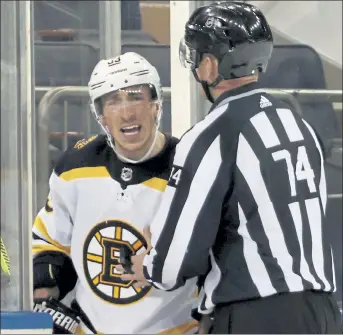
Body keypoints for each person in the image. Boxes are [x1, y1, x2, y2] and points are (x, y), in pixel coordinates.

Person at [121, 2, 342, 334]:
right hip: (323, 312)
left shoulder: (211, 137)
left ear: (210, 67)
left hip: (258, 317)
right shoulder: (300, 126)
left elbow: (173, 262)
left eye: (197, 57)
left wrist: (148, 265)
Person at [32, 52, 198, 334]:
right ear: (101, 116)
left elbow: (213, 258)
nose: (126, 112)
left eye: (135, 97)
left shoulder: (190, 170)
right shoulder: (75, 166)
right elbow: (52, 243)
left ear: (156, 105)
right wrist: (44, 292)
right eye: (112, 101)